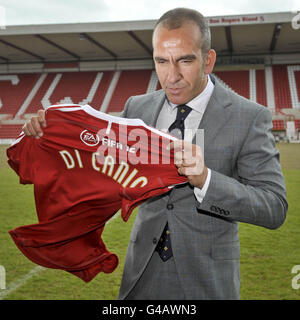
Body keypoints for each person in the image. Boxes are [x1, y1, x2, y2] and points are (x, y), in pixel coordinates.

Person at [22, 7, 288, 300]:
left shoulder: (248, 116)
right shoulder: (137, 109)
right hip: (141, 275)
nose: (171, 76)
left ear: (208, 60)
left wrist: (205, 179)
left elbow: (273, 206)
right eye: (162, 61)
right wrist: (52, 135)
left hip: (207, 281)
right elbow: (101, 170)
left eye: (185, 60)